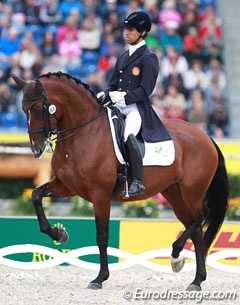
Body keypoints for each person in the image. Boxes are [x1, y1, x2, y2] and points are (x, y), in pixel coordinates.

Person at [98, 11, 163, 196]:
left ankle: (137, 181)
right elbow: (112, 83)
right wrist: (107, 94)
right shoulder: (123, 56)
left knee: (128, 137)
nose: (126, 33)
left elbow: (145, 91)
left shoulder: (149, 58)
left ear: (142, 32)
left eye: (131, 30)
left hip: (135, 108)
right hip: (117, 106)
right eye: (126, 29)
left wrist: (124, 97)